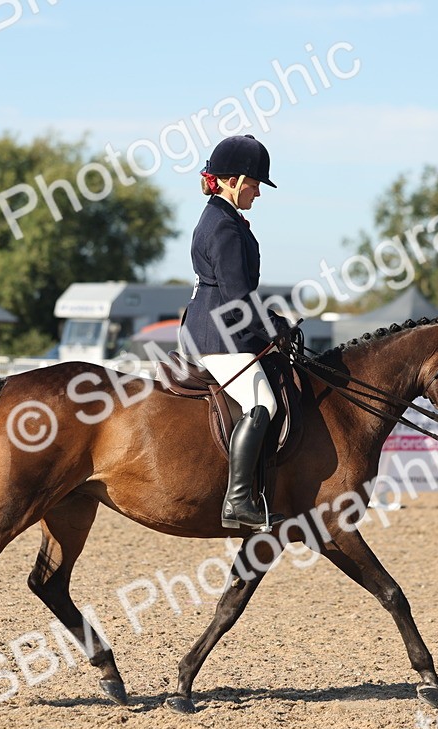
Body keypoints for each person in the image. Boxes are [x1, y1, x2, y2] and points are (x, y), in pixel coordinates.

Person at [179, 134, 290, 530]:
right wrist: (273, 326)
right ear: (233, 181)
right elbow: (237, 297)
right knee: (262, 404)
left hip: (220, 329)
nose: (258, 192)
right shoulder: (223, 226)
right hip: (218, 336)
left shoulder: (222, 218)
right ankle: (239, 500)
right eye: (255, 184)